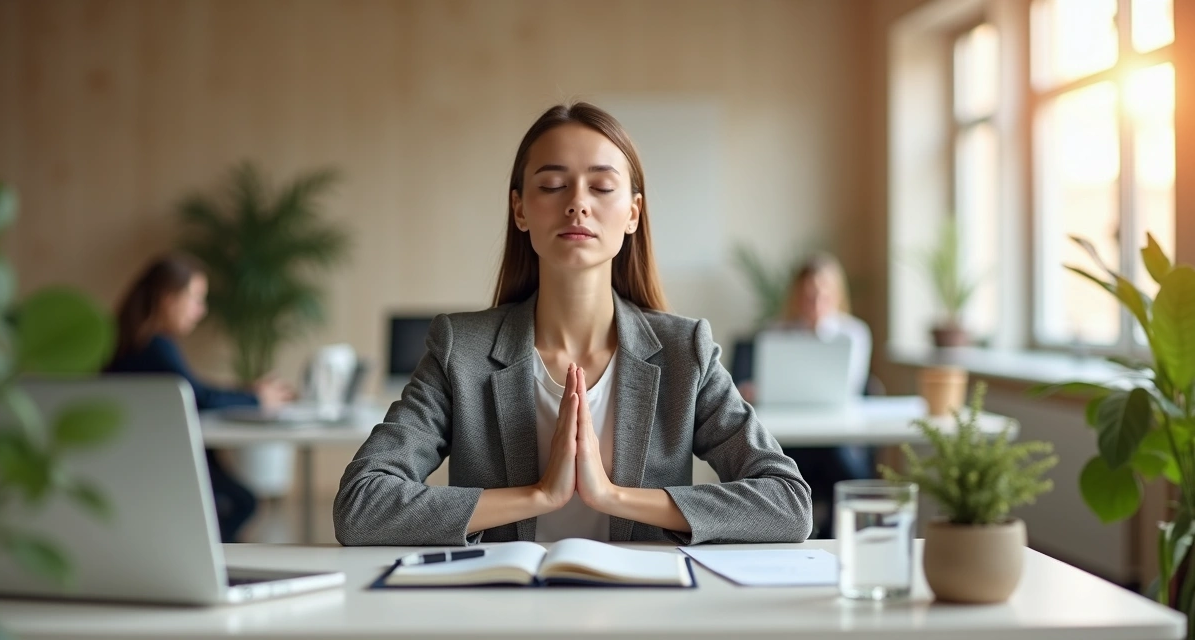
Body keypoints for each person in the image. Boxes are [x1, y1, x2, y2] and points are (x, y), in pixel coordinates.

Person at [333, 102, 812, 546]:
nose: (578, 203)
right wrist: (538, 495)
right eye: (552, 185)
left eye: (602, 187)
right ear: (520, 208)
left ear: (632, 213)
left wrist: (612, 496)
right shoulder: (461, 349)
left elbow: (787, 504)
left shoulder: (684, 350)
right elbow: (360, 505)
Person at [105, 254, 293, 542]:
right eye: (195, 299)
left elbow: (195, 388)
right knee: (242, 502)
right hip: (164, 464)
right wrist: (256, 400)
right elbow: (198, 396)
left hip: (142, 460)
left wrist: (248, 393)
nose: (200, 310)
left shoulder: (133, 343)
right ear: (169, 299)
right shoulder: (154, 345)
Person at [739, 253, 876, 538]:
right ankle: (797, 532)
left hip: (836, 437)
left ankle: (831, 538)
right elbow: (768, 388)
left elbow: (849, 388)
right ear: (797, 295)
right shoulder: (776, 334)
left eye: (823, 293)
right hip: (792, 439)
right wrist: (756, 391)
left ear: (837, 295)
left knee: (845, 469)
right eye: (809, 293)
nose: (815, 301)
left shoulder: (852, 334)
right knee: (779, 473)